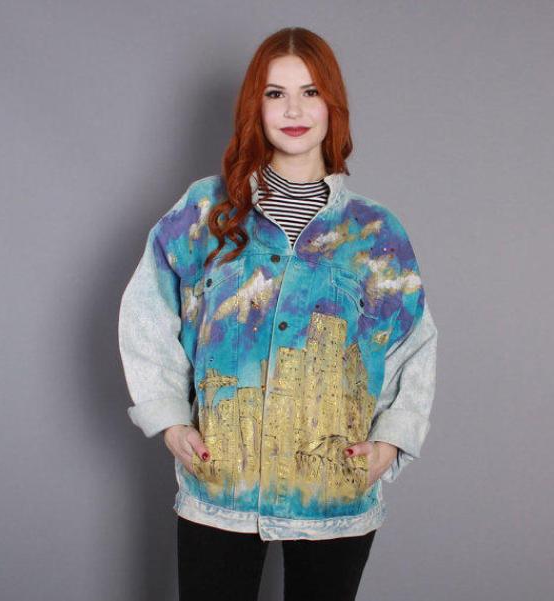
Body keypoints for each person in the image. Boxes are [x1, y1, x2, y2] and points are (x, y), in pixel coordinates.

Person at [118, 26, 438, 601]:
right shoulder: (204, 211)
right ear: (255, 106)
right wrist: (168, 417)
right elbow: (147, 312)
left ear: (332, 105)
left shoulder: (375, 233)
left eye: (310, 92)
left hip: (332, 491)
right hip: (220, 484)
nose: (293, 110)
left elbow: (413, 343)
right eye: (275, 93)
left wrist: (392, 441)